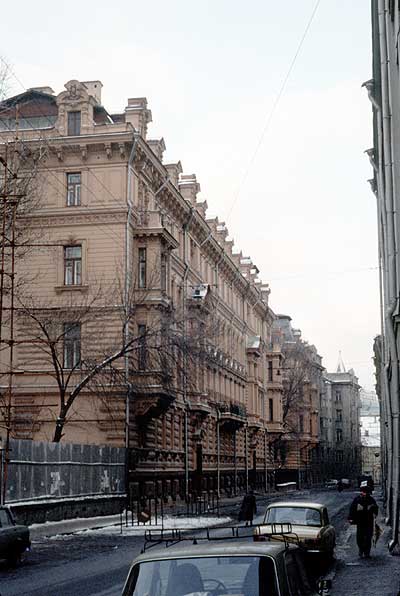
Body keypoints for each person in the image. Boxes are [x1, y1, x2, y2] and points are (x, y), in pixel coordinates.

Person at [348, 481, 378, 558]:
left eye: (365, 491)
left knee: (368, 537)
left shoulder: (371, 500)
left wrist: (374, 512)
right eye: (362, 491)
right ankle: (361, 550)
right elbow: (352, 509)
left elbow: (375, 508)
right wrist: (350, 518)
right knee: (360, 537)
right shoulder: (357, 499)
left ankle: (367, 552)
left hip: (369, 521)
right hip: (360, 521)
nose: (364, 493)